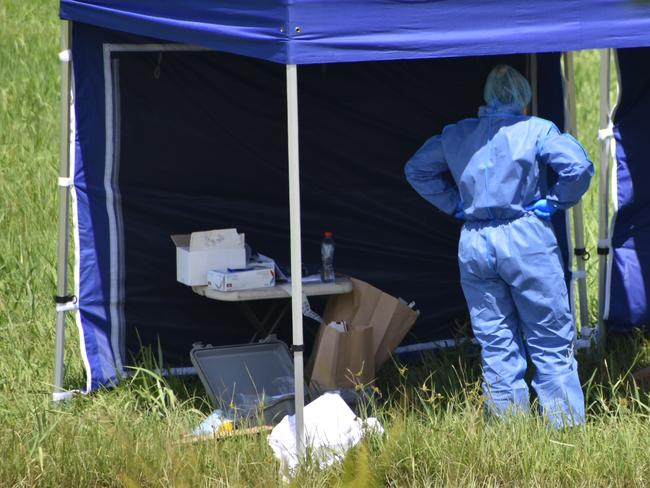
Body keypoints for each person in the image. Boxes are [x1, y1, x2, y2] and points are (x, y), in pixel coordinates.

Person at [404, 64, 593, 427]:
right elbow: (578, 167)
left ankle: (509, 433)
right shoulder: (536, 129)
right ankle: (566, 429)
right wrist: (555, 201)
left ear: (487, 98)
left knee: (496, 341)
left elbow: (417, 170)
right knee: (550, 338)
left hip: (475, 242)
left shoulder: (457, 134)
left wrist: (455, 204)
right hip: (526, 238)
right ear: (524, 100)